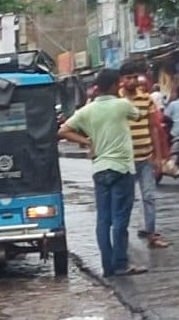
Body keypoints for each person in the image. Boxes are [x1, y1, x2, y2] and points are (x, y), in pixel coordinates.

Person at [59, 67, 138, 276]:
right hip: (121, 168)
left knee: (104, 219)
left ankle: (107, 266)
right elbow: (137, 115)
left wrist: (87, 141)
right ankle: (120, 263)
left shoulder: (87, 110)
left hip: (100, 169)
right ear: (114, 86)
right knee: (120, 219)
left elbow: (63, 130)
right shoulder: (122, 105)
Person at [126, 72, 168, 246]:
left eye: (135, 77)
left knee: (149, 197)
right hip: (125, 160)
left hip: (145, 157)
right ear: (122, 79)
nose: (133, 81)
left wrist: (158, 157)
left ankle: (151, 235)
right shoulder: (117, 101)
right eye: (129, 77)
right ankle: (123, 238)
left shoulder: (146, 100)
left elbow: (153, 129)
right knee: (127, 200)